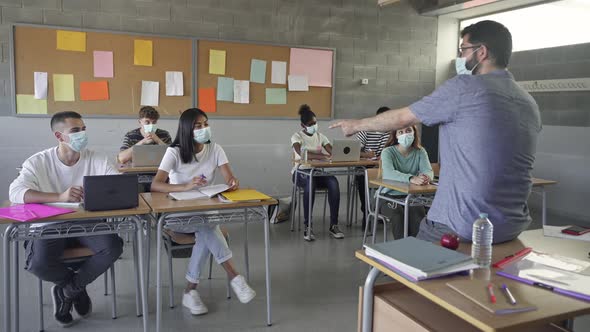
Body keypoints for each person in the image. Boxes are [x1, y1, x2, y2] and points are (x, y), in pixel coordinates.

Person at [331, 20, 541, 244]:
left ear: (482, 52)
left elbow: (402, 117)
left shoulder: (463, 88)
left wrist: (355, 125)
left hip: (460, 224)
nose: (461, 57)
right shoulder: (528, 102)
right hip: (511, 226)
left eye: (463, 50)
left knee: (406, 267)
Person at [9, 111, 123, 327]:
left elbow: (116, 186)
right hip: (50, 223)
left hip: (86, 221)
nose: (82, 134)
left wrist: (104, 193)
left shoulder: (96, 158)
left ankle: (68, 290)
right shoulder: (39, 161)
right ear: (59, 136)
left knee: (113, 247)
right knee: (38, 264)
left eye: (83, 129)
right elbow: (16, 193)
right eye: (75, 131)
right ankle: (76, 289)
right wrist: (59, 197)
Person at [150, 108, 255, 316]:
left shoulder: (215, 149)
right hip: (176, 216)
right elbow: (155, 185)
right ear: (187, 129)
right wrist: (185, 187)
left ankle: (190, 291)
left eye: (206, 124)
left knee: (205, 229)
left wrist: (232, 183)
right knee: (208, 226)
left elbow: (229, 178)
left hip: (204, 212)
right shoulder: (174, 152)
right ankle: (234, 276)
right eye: (198, 126)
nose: (204, 129)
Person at [291, 104, 344, 241]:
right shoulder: (297, 137)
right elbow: (301, 154)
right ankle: (308, 226)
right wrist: (322, 156)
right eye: (310, 124)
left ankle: (334, 225)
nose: (314, 126)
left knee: (333, 182)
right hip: (300, 173)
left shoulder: (321, 136)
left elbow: (333, 152)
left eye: (315, 123)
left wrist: (345, 153)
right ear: (303, 125)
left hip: (317, 172)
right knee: (310, 182)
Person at [378, 125, 433, 239]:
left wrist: (426, 177)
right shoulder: (387, 152)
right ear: (396, 135)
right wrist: (411, 178)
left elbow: (428, 170)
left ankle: (415, 249)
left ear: (414, 133)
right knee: (398, 217)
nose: (405, 134)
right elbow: (388, 173)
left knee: (418, 216)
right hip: (389, 196)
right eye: (401, 132)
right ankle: (400, 251)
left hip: (411, 196)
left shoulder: (420, 151)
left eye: (408, 131)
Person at [354, 106, 392, 231]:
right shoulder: (365, 130)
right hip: (364, 166)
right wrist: (366, 155)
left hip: (381, 166)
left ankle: (380, 211)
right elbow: (354, 151)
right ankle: (367, 212)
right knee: (363, 178)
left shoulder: (390, 133)